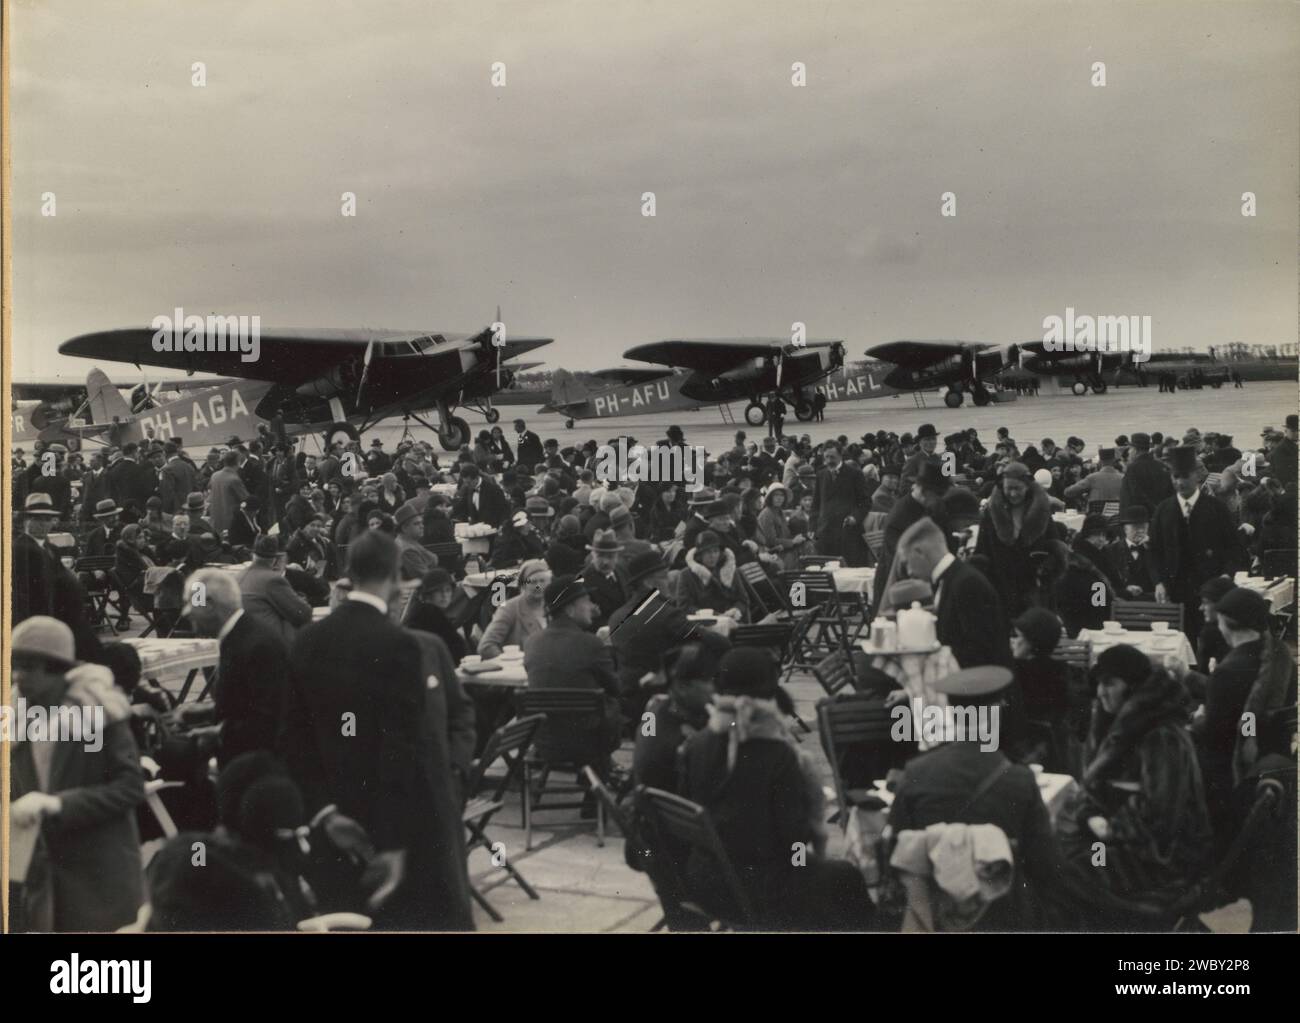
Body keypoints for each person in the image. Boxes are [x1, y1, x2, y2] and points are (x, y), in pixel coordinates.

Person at [278, 531, 474, 930]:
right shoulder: (400, 644)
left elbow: (293, 739)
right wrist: (393, 842)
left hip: (333, 826)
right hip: (400, 825)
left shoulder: (307, 641)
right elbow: (401, 746)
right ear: (394, 577)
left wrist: (327, 814)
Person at [678, 647, 874, 930]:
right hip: (757, 889)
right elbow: (793, 838)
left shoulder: (696, 744)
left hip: (704, 880)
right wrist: (812, 808)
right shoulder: (778, 755)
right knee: (845, 877)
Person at [887, 665, 1068, 931]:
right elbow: (1046, 865)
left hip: (934, 913)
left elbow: (896, 848)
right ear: (996, 715)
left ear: (952, 715)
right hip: (1003, 913)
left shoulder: (917, 771)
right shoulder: (1019, 779)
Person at [1057, 646, 1212, 926]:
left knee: (1064, 873)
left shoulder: (1163, 736)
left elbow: (1160, 816)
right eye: (1099, 684)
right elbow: (1090, 786)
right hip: (1120, 844)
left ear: (1133, 686)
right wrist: (1091, 816)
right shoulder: (1113, 725)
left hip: (1162, 858)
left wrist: (1106, 828)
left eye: (1110, 683)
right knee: (1049, 861)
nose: (1101, 692)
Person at [10, 617, 144, 932]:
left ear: (57, 670)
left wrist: (58, 804)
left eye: (29, 667)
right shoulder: (16, 718)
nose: (18, 677)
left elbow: (129, 787)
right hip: (39, 878)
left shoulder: (96, 715)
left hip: (97, 880)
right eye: (15, 665)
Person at [1183, 587, 1295, 842]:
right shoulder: (1281, 654)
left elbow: (1216, 738)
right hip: (1274, 756)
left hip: (1234, 773)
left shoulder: (1228, 671)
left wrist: (1198, 718)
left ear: (1225, 623)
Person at [183, 569, 290, 767]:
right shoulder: (241, 635)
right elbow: (249, 701)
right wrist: (208, 711)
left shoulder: (257, 645)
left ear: (210, 604)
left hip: (258, 768)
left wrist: (219, 733)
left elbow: (270, 718)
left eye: (192, 603)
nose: (187, 613)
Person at [1149, 446, 1246, 642]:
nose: (1179, 482)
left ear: (1196, 476)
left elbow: (1234, 548)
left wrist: (1227, 574)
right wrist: (1158, 581)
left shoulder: (1216, 508)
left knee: (1211, 641)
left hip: (1209, 588)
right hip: (1174, 589)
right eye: (1175, 477)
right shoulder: (1163, 510)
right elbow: (1154, 550)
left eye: (1184, 476)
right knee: (1180, 640)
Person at [523, 574, 622, 760]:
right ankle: (600, 773)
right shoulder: (591, 644)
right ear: (570, 609)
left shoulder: (532, 642)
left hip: (544, 742)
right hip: (590, 743)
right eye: (585, 601)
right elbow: (616, 689)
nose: (591, 607)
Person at [899, 516, 1009, 668]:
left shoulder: (966, 583)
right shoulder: (955, 579)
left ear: (920, 552)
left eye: (907, 562)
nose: (909, 572)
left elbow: (980, 652)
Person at [608, 550, 699, 720]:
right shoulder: (667, 613)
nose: (670, 580)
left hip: (629, 703)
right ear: (649, 583)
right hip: (661, 703)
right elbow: (706, 638)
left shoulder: (616, 617)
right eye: (664, 576)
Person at [12, 493, 102, 661]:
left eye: (47, 519)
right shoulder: (22, 549)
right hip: (44, 620)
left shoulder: (50, 548)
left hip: (66, 616)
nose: (43, 524)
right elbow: (27, 594)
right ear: (26, 521)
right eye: (37, 518)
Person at [632, 634, 728, 791]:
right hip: (677, 809)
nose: (716, 688)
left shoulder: (655, 709)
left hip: (650, 803)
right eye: (709, 680)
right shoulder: (686, 741)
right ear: (682, 686)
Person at [972, 461, 1057, 619]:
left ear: (1027, 487)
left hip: (1032, 587)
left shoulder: (1041, 510)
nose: (1012, 494)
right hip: (1000, 586)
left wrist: (1045, 570)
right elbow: (982, 551)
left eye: (1017, 488)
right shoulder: (991, 514)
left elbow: (1055, 548)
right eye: (1008, 489)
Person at [1008, 608, 1071, 770]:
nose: (1011, 640)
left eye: (1016, 636)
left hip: (1028, 753)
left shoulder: (1014, 674)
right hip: (1051, 752)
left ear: (1033, 642)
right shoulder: (1059, 671)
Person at [239, 535, 314, 648]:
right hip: (269, 645)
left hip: (245, 640)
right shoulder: (272, 580)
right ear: (276, 560)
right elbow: (303, 614)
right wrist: (301, 600)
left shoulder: (238, 575)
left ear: (253, 555)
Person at [1053, 514, 1119, 636]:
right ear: (1087, 536)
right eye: (1096, 535)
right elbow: (1098, 591)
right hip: (1086, 617)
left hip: (1094, 610)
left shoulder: (1103, 555)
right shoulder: (1084, 559)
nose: (1101, 539)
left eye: (1104, 535)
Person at [478, 559, 551, 659]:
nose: (538, 586)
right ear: (523, 585)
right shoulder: (510, 609)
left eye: (542, 581)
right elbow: (486, 646)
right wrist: (511, 663)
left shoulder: (553, 606)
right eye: (533, 582)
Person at [675, 529, 749, 622]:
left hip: (732, 620)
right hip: (703, 624)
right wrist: (710, 615)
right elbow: (684, 606)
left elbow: (743, 600)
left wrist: (736, 610)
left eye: (715, 551)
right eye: (708, 552)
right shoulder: (686, 575)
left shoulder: (729, 570)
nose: (712, 556)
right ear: (699, 555)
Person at [814, 443, 871, 564]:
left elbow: (866, 502)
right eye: (827, 457)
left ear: (841, 456)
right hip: (826, 534)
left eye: (832, 457)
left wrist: (855, 517)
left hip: (848, 533)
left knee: (851, 570)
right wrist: (812, 527)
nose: (829, 461)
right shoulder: (821, 475)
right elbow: (816, 504)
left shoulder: (855, 474)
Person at [407, 567, 468, 662]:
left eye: (448, 590)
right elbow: (459, 650)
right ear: (428, 594)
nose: (444, 595)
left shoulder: (418, 609)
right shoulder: (431, 612)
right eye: (439, 591)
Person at [1105, 505, 1156, 599]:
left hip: (1150, 603)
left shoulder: (1155, 550)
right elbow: (1105, 582)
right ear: (1125, 529)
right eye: (1135, 527)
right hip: (1121, 602)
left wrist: (1150, 550)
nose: (1140, 531)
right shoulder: (1110, 551)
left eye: (1144, 527)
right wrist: (1125, 589)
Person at [1119, 432, 1173, 516]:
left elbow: (1134, 495)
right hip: (1163, 515)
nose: (1129, 452)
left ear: (1135, 450)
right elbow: (1170, 492)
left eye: (1130, 449)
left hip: (1140, 517)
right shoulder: (1161, 466)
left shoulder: (1132, 468)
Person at [755, 482, 805, 571]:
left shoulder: (780, 512)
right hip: (774, 552)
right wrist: (793, 542)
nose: (779, 498)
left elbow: (785, 534)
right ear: (770, 498)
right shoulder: (767, 514)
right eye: (776, 495)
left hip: (785, 548)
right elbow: (771, 541)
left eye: (782, 495)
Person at [208, 450, 250, 537]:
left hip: (215, 519)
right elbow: (246, 499)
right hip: (230, 522)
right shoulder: (234, 479)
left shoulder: (215, 475)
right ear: (238, 462)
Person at [453, 463, 510, 527]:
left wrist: (502, 525)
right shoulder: (468, 488)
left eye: (469, 482)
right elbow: (462, 504)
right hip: (476, 528)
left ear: (477, 478)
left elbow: (504, 510)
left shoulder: (493, 489)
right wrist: (450, 511)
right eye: (465, 482)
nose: (466, 485)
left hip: (492, 528)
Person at [393, 503, 438, 581]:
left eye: (421, 522)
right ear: (404, 528)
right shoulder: (407, 550)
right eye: (417, 524)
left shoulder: (409, 541)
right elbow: (426, 577)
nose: (422, 526)